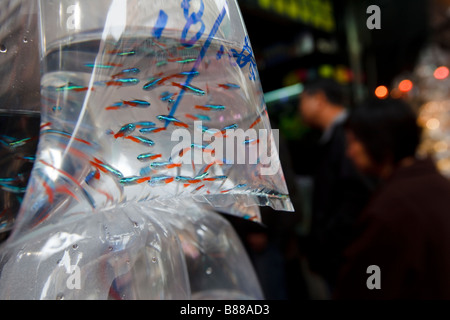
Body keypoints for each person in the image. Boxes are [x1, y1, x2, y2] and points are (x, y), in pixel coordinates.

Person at [334, 97, 450, 299]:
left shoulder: (392, 207)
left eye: (354, 142)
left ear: (378, 142)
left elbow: (372, 282)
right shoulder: (437, 183)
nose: (350, 152)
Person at [298, 78, 375, 293]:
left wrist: (328, 240)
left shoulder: (347, 135)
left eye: (302, 101)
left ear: (320, 99)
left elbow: (356, 193)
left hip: (349, 253)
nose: (300, 109)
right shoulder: (335, 135)